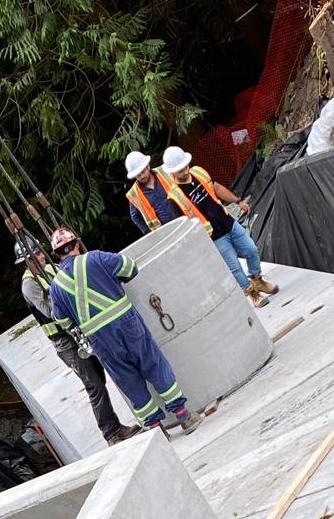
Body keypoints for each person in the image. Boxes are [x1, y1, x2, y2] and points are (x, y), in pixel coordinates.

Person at [47, 227, 207, 436]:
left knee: (128, 380)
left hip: (100, 340)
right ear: (76, 243)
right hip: (127, 324)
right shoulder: (96, 258)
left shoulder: (56, 287)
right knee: (153, 364)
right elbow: (130, 268)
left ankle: (157, 430)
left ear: (57, 254)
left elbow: (63, 321)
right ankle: (184, 416)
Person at [16, 237, 138, 448]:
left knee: (100, 377)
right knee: (94, 384)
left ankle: (115, 427)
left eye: (41, 252)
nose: (42, 256)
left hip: (78, 332)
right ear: (27, 260)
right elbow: (49, 311)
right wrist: (68, 300)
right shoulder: (29, 284)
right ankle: (111, 432)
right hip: (65, 341)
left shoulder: (51, 269)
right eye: (36, 254)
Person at [160, 144, 278, 308]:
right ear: (172, 172)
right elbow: (185, 226)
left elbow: (216, 188)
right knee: (235, 267)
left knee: (251, 249)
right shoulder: (174, 197)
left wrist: (237, 201)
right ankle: (253, 294)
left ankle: (258, 281)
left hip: (228, 222)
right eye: (180, 170)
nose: (186, 171)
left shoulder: (198, 172)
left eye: (186, 166)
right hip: (214, 237)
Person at [124, 151, 181, 233]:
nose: (142, 176)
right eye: (138, 175)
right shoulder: (134, 193)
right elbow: (135, 216)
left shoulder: (165, 171)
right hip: (165, 232)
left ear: (148, 166)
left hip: (183, 219)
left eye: (143, 172)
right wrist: (148, 232)